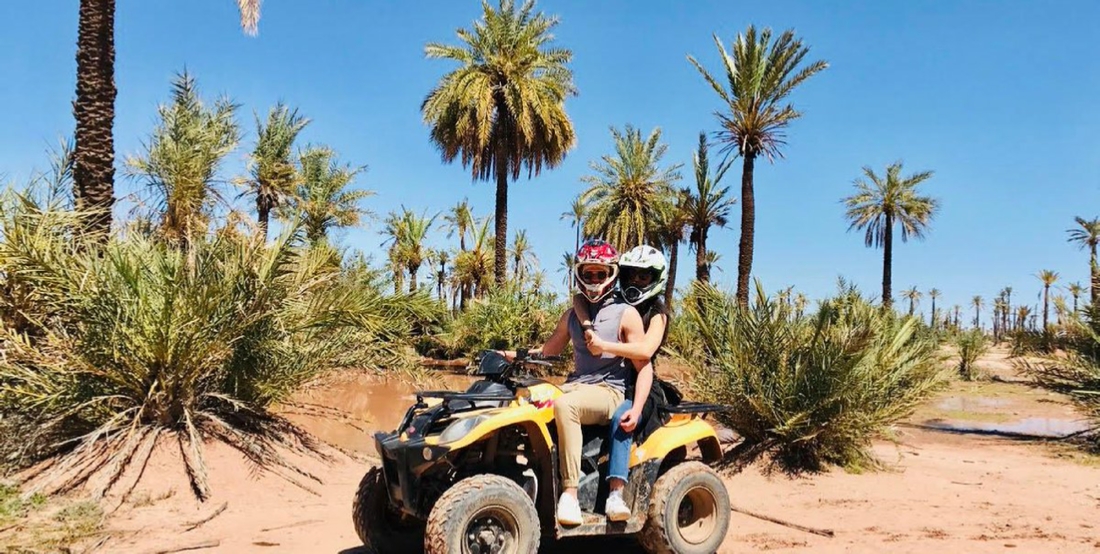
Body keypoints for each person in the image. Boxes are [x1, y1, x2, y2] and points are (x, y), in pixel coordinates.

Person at [500, 239, 648, 526]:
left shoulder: (625, 314)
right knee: (526, 400)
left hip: (610, 391)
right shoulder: (572, 315)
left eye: (600, 274)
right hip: (577, 384)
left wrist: (638, 407)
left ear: (611, 274)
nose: (594, 280)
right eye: (589, 273)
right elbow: (547, 352)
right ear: (579, 273)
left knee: (566, 405)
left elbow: (644, 367)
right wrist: (508, 355)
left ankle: (570, 493)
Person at [573, 244, 669, 521]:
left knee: (621, 418)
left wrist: (604, 345)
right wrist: (588, 327)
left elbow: (644, 352)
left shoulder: (657, 316)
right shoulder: (614, 303)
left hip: (643, 386)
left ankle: (616, 494)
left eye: (643, 277)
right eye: (630, 276)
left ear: (655, 279)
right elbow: (578, 300)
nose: (635, 282)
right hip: (613, 381)